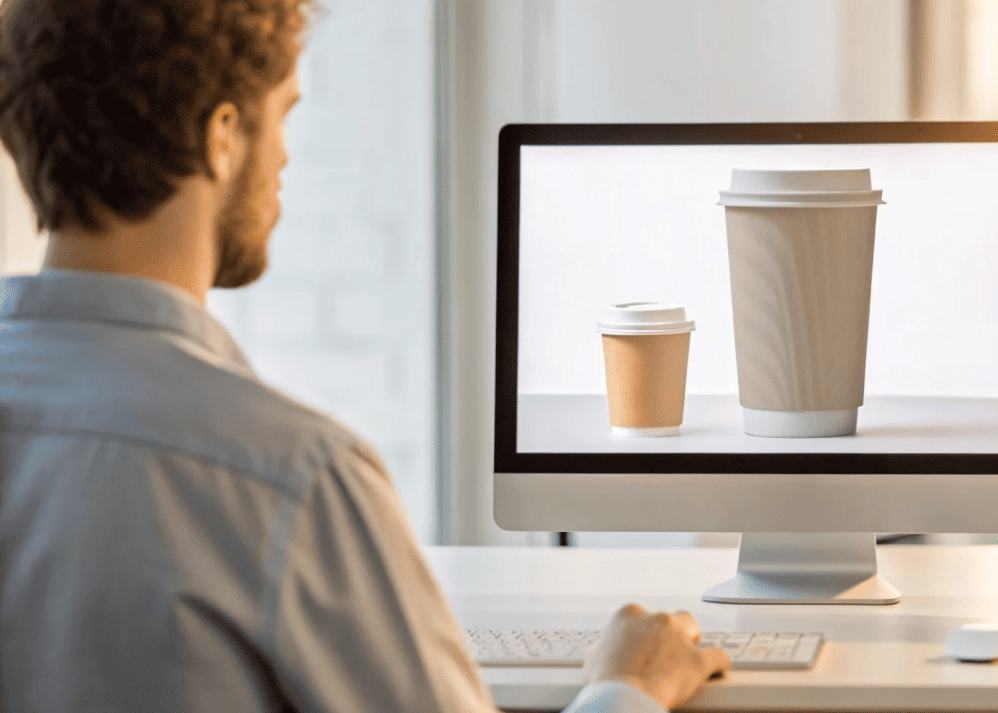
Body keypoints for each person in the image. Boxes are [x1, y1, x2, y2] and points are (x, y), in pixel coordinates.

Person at [0, 1, 730, 711]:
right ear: (221, 137)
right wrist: (626, 686)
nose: (284, 155)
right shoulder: (289, 479)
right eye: (282, 114)